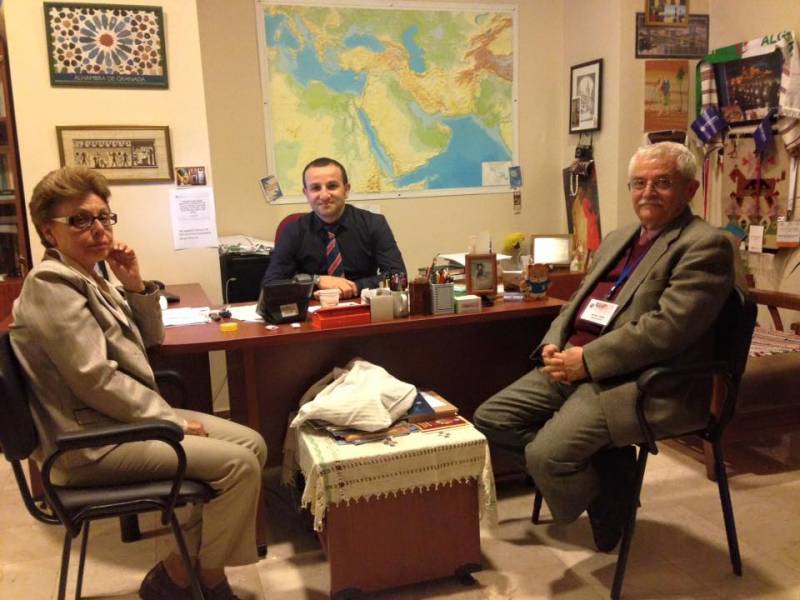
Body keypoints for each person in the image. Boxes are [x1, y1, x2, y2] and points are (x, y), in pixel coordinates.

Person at [10, 166, 266, 600]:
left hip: (114, 424)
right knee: (237, 466)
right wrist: (170, 422)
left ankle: (176, 575)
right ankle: (208, 580)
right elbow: (95, 378)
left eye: (103, 216)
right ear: (48, 232)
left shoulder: (89, 275)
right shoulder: (52, 285)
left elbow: (150, 340)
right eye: (80, 220)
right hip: (88, 444)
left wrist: (135, 285)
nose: (98, 228)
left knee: (253, 445)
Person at [474, 142, 735, 552]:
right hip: (573, 363)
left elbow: (667, 329)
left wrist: (588, 360)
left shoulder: (705, 245)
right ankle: (608, 472)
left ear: (690, 189)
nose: (648, 192)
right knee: (491, 419)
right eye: (639, 183)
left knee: (546, 457)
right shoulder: (619, 237)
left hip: (635, 380)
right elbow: (578, 300)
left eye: (662, 183)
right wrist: (553, 342)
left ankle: (607, 496)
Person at [262, 157, 406, 299]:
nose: (324, 195)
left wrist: (355, 287)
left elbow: (398, 276)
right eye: (315, 188)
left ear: (346, 190)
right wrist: (316, 281)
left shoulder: (373, 223)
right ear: (306, 194)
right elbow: (271, 284)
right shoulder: (293, 231)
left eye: (332, 186)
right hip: (313, 308)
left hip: (362, 304)